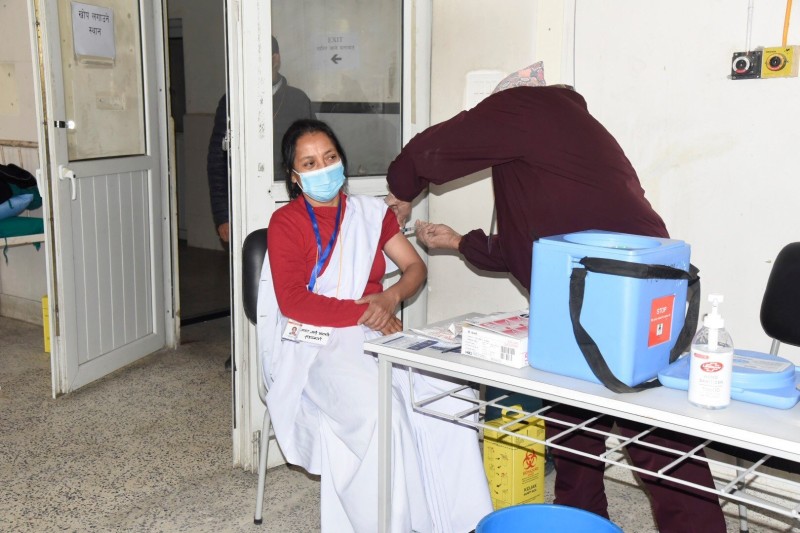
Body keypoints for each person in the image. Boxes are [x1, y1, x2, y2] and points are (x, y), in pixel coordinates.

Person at [384, 84, 727, 532]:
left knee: (650, 432)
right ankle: (580, 519)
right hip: (629, 281)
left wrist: (401, 190)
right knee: (573, 415)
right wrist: (460, 242)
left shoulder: (524, 105)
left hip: (616, 288)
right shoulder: (567, 136)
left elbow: (429, 152)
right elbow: (536, 243)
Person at [256, 119, 492, 532]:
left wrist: (391, 297)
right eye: (309, 163)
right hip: (315, 340)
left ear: (342, 160)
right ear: (294, 177)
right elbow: (294, 302)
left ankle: (460, 520)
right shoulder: (286, 223)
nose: (323, 168)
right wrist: (370, 311)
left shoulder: (370, 213)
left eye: (329, 157)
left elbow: (415, 267)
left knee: (448, 395)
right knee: (382, 415)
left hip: (377, 325)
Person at [208, 35, 315, 369]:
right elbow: (216, 161)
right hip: (246, 204)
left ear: (276, 59)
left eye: (263, 58)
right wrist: (222, 214)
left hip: (289, 201)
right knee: (249, 278)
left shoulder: (297, 99)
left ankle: (291, 348)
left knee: (292, 277)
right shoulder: (232, 100)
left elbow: (313, 155)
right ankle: (244, 350)